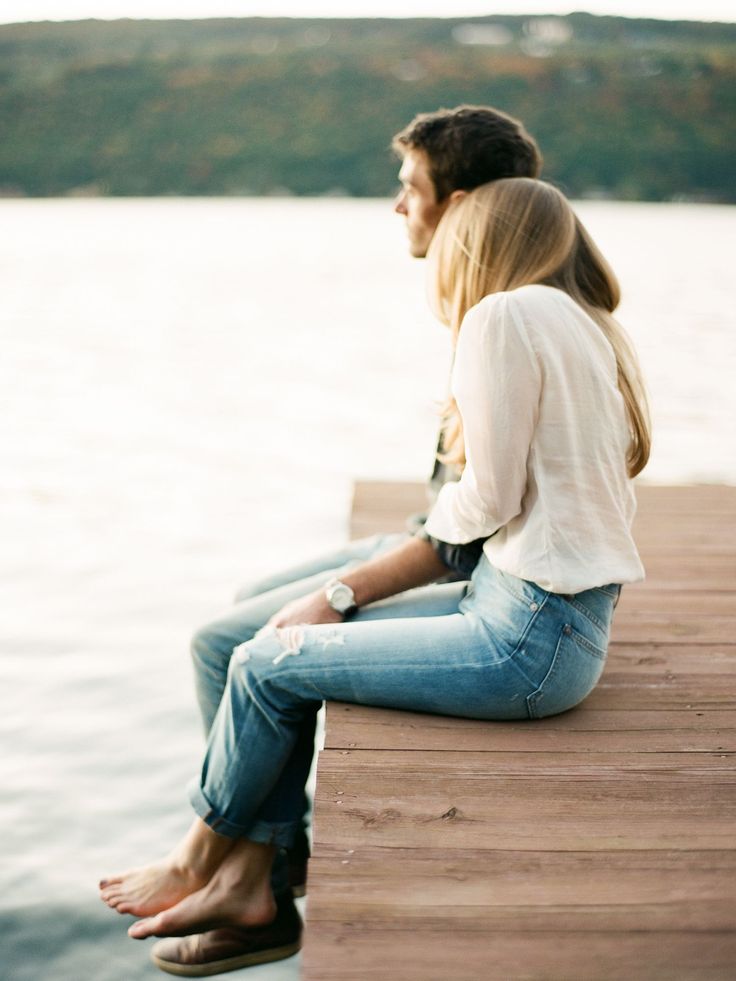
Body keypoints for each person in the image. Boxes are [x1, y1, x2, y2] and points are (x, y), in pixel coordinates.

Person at [99, 175, 650, 977]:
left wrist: (343, 590)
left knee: (262, 660)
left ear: (475, 242)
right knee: (265, 648)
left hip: (525, 637)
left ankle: (207, 864)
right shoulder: (581, 322)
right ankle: (251, 875)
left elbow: (487, 497)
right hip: (547, 620)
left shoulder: (501, 315)